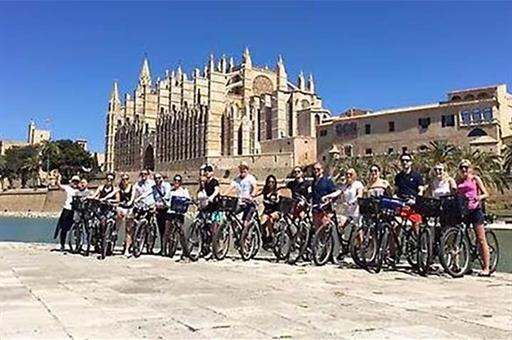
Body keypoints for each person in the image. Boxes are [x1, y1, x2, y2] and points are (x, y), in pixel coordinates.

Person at [456, 159, 491, 276]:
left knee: (481, 239)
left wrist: (478, 197)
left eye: (466, 167)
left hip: (475, 210)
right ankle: (467, 265)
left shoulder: (475, 179)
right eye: (461, 167)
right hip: (464, 211)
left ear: (470, 168)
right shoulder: (458, 180)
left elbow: (486, 193)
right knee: (463, 237)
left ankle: (486, 267)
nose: (464, 169)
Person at [394, 153, 424, 234]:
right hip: (401, 204)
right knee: (395, 226)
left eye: (407, 160)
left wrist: (416, 199)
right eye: (402, 161)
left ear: (411, 162)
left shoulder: (417, 176)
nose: (405, 162)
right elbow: (396, 190)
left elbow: (420, 190)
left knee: (416, 226)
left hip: (413, 204)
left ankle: (419, 244)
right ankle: (395, 246)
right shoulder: (398, 177)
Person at [311, 162, 342, 229]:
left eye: (318, 169)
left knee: (325, 230)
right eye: (314, 169)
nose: (316, 171)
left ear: (322, 170)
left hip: (325, 211)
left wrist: (327, 199)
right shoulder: (313, 182)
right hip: (316, 211)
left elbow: (335, 193)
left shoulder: (327, 181)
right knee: (318, 232)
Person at [54, 173, 80, 251]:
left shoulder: (80, 190)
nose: (75, 183)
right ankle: (62, 244)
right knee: (64, 228)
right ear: (71, 182)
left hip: (76, 211)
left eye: (77, 182)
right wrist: (58, 179)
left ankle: (77, 244)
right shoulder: (68, 188)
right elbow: (59, 186)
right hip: (67, 210)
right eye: (74, 181)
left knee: (77, 228)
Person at [231, 162, 258, 227]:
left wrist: (252, 195)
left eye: (244, 168)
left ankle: (247, 236)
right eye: (241, 168)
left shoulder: (251, 178)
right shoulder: (236, 179)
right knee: (231, 215)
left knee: (245, 223)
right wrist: (223, 194)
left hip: (249, 203)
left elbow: (255, 188)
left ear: (247, 169)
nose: (243, 170)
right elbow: (230, 188)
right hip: (240, 203)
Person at [257, 175, 280, 247]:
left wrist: (277, 199)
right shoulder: (265, 192)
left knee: (269, 218)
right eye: (269, 182)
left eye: (272, 182)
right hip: (266, 212)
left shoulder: (277, 192)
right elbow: (258, 196)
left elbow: (279, 200)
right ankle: (264, 237)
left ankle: (272, 236)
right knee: (261, 220)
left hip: (275, 211)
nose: (271, 184)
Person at [152, 173, 171, 254]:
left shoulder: (167, 185)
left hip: (167, 209)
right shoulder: (153, 188)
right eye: (156, 178)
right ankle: (163, 249)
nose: (157, 180)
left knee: (167, 230)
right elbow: (152, 197)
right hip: (159, 210)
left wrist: (162, 200)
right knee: (161, 230)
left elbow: (167, 195)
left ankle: (168, 248)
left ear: (162, 178)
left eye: (159, 178)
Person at [115, 173, 133, 256]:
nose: (124, 181)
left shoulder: (132, 187)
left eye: (126, 179)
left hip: (129, 208)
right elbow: (116, 198)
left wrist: (129, 202)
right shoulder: (119, 188)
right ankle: (114, 234)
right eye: (123, 179)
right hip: (121, 208)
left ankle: (127, 249)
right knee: (118, 218)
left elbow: (132, 198)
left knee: (128, 230)